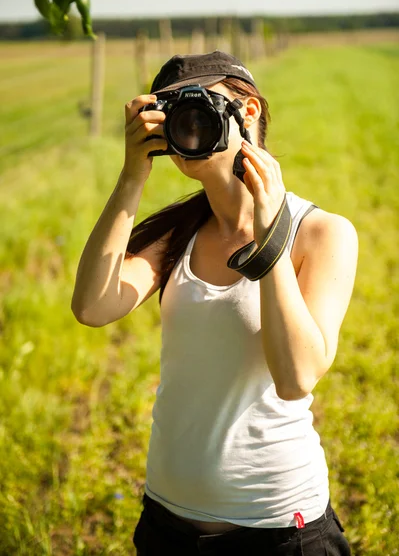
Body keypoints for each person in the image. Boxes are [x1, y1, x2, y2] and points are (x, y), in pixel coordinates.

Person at [71, 51, 358, 555]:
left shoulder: (321, 233)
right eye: (170, 113)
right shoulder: (179, 234)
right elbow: (93, 307)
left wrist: (269, 234)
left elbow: (296, 379)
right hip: (167, 521)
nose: (187, 123)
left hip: (279, 529)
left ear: (247, 113)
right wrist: (133, 175)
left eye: (199, 107)